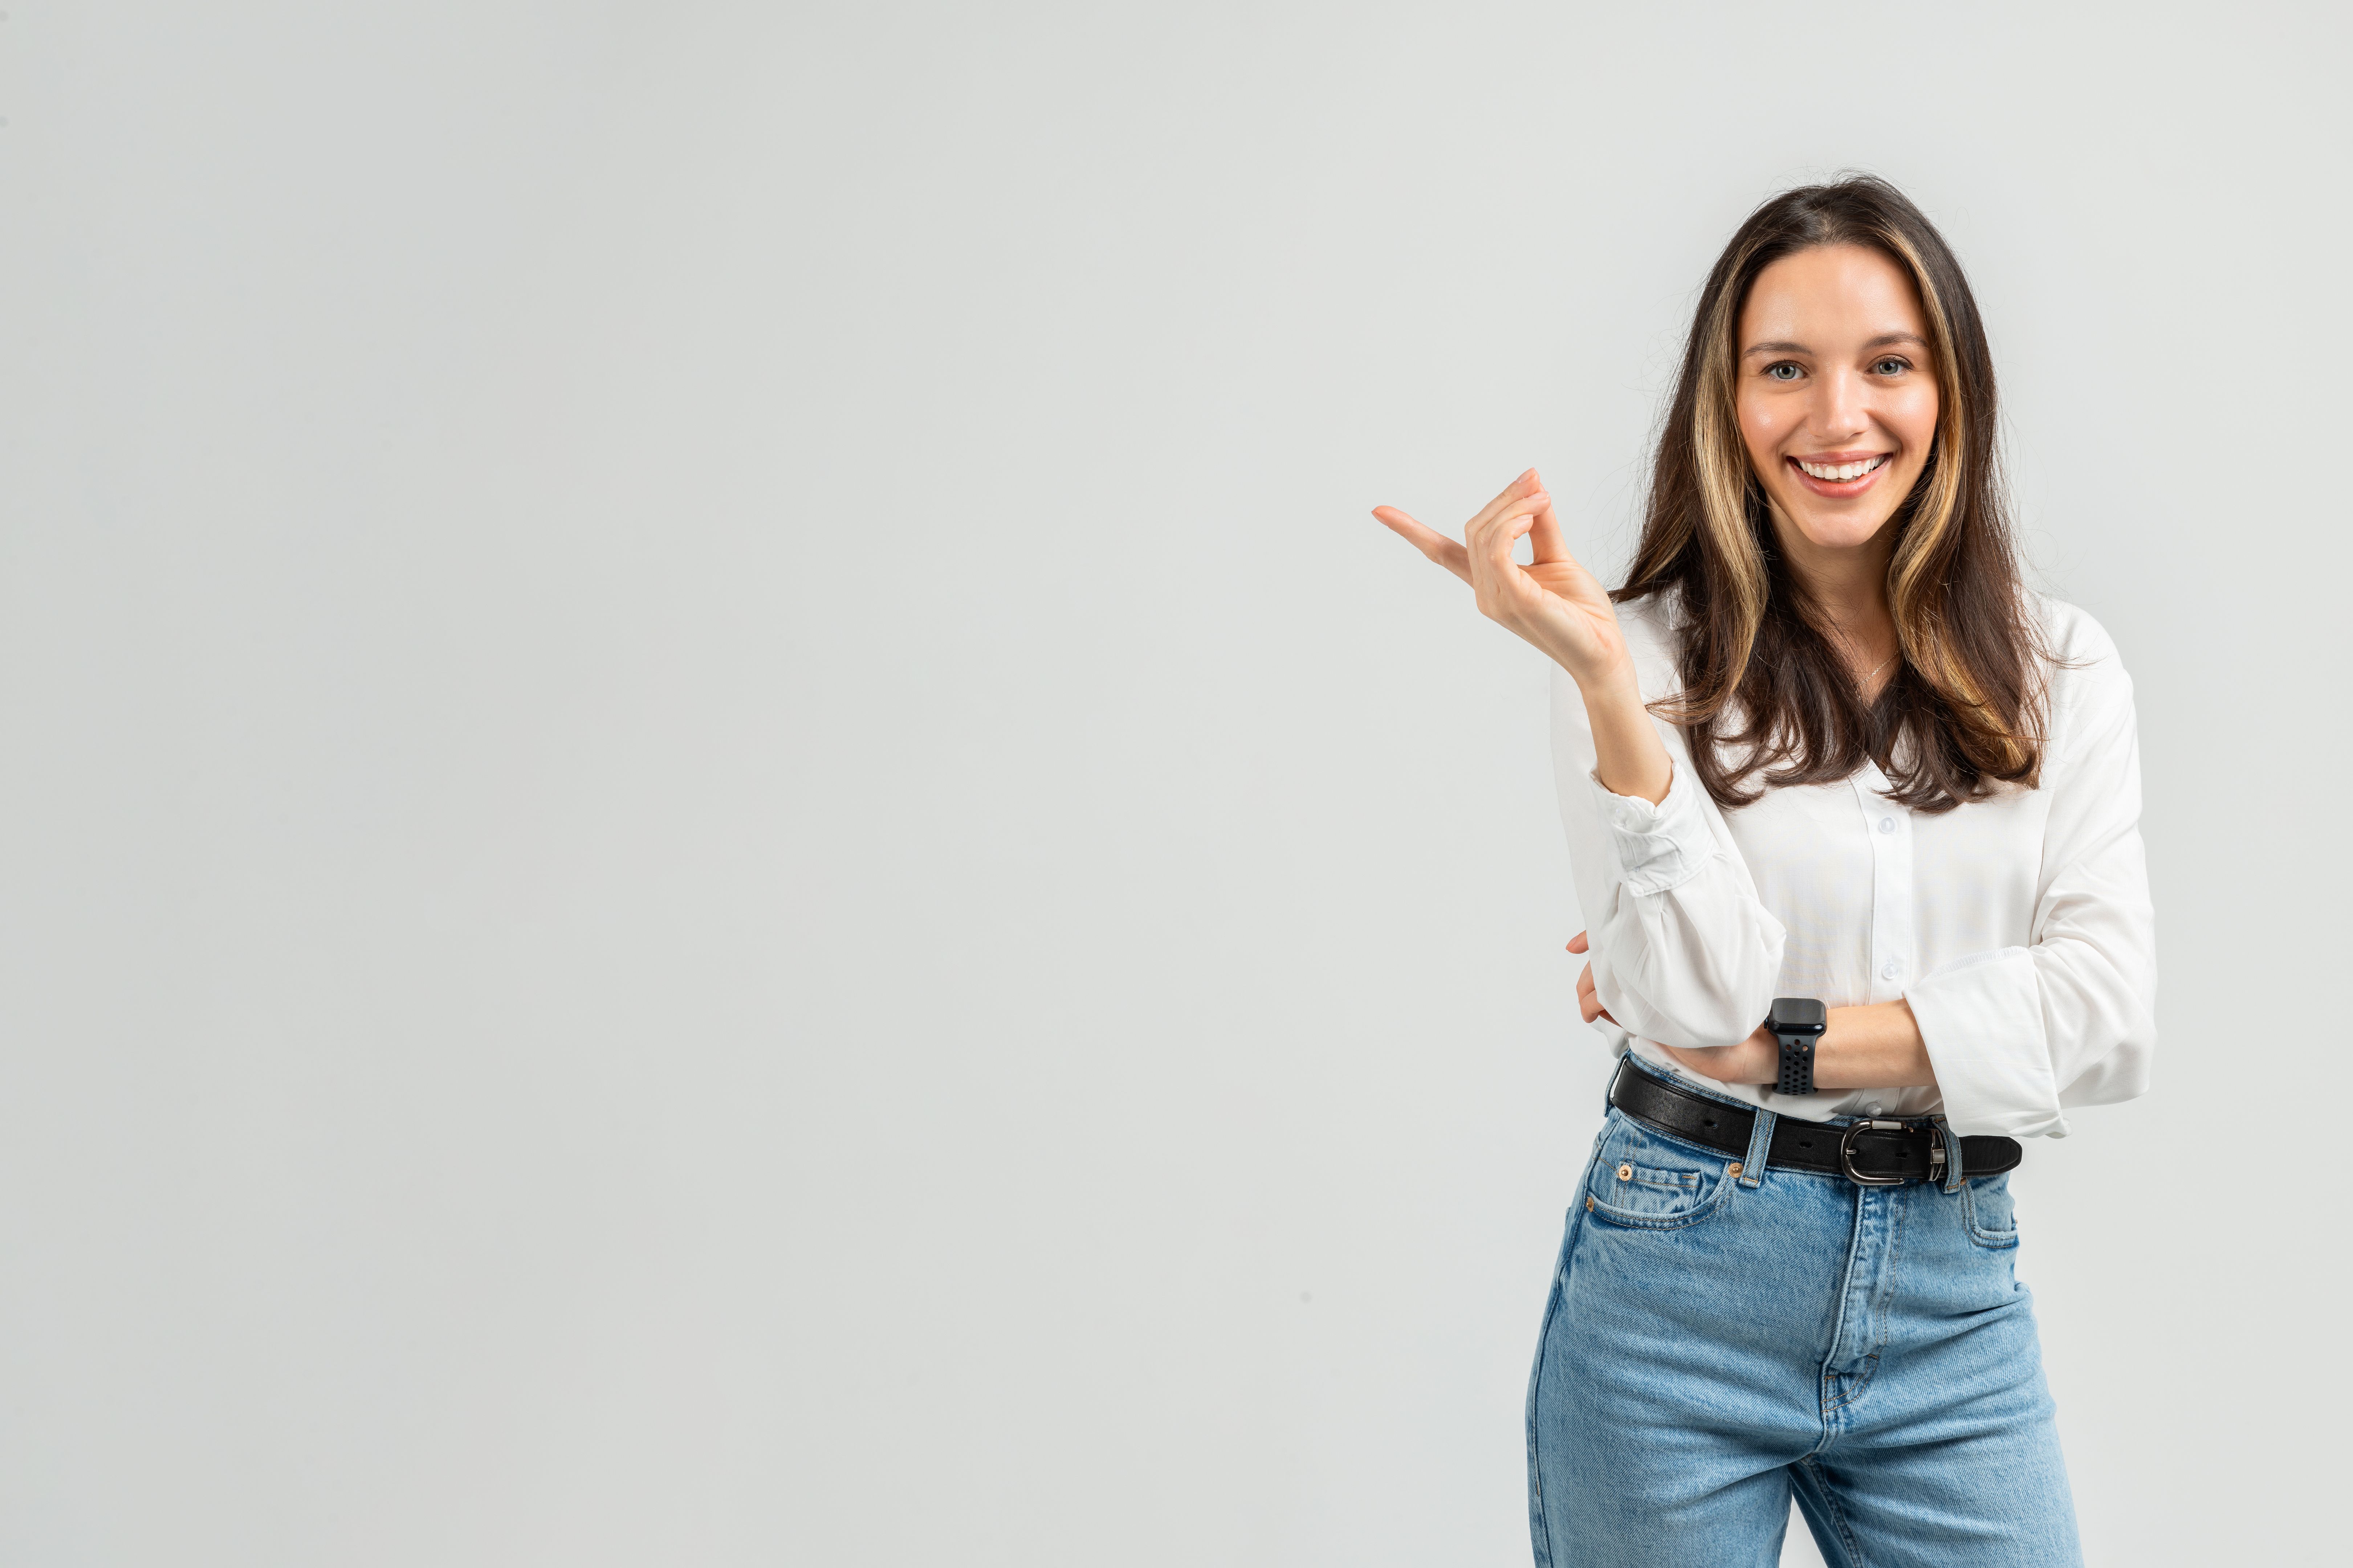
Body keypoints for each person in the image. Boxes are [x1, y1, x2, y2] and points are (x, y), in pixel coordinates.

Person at [1370, 176, 2155, 1567]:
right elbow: (1690, 1000)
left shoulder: (2062, 668)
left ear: (1950, 389)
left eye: (1887, 364)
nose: (1836, 417)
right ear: (1724, 404)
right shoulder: (1632, 654)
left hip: (1952, 1296)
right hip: (1679, 1284)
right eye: (1783, 369)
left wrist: (1779, 1046)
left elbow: (2103, 1015)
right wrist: (1607, 688)